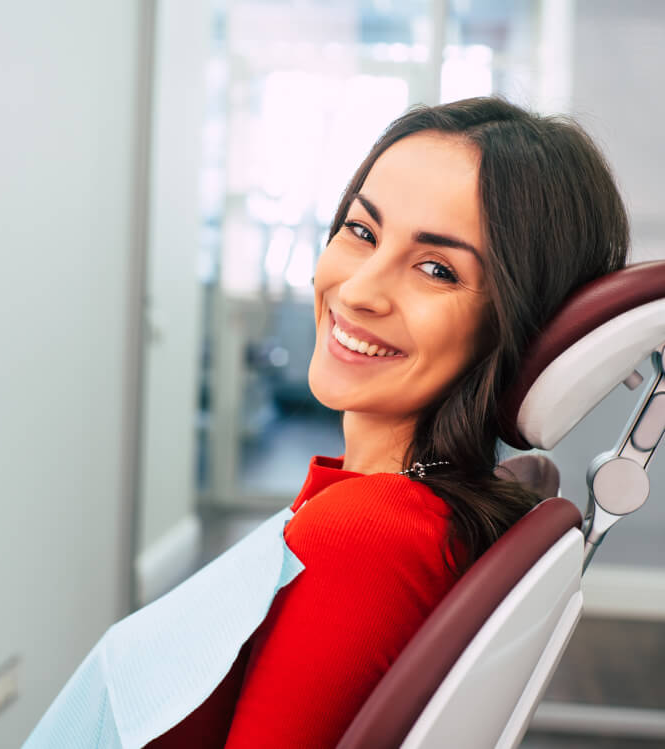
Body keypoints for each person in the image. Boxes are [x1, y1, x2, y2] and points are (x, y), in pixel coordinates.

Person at [145, 97, 629, 747]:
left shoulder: (364, 536)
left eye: (437, 269)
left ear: (517, 322)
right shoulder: (400, 508)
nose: (358, 290)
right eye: (361, 231)